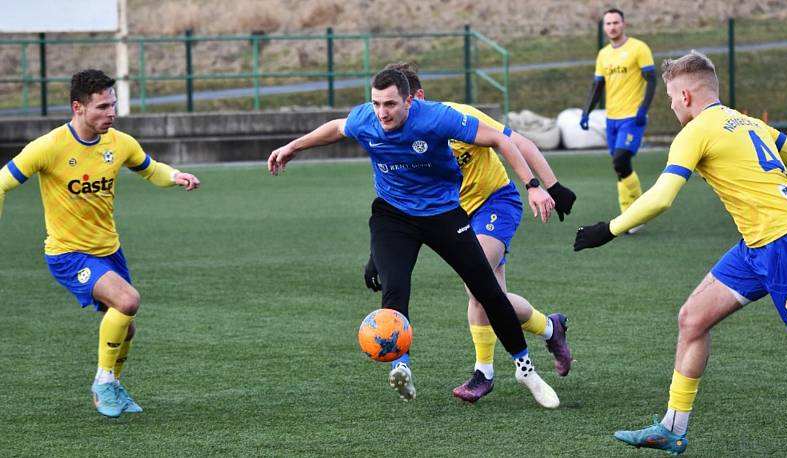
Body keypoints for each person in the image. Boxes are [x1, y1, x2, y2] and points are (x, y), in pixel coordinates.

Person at [269, 68, 560, 407]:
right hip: (393, 216)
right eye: (376, 103)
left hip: (443, 214)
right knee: (395, 288)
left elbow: (500, 139)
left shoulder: (437, 118)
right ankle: (401, 367)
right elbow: (336, 127)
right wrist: (293, 147)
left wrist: (534, 186)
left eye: (390, 104)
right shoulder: (367, 119)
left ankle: (525, 370)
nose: (382, 112)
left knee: (487, 290)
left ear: (410, 100)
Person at [573, 51, 787, 455]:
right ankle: (672, 428)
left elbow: (661, 198)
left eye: (671, 98)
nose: (671, 104)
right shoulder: (750, 123)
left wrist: (608, 229)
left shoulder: (695, 132)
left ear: (686, 95)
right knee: (692, 319)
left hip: (784, 243)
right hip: (755, 246)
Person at [362, 63, 575, 404]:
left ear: (417, 98)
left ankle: (484, 373)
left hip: (494, 203)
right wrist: (378, 253)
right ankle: (550, 328)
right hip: (448, 213)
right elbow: (399, 195)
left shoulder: (455, 117)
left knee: (477, 288)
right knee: (494, 297)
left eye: (405, 101)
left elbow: (516, 142)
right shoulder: (401, 133)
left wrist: (550, 185)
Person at [0, 69, 200, 418]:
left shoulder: (120, 143)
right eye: (103, 107)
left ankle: (113, 386)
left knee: (127, 324)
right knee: (128, 299)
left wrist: (175, 176)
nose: (112, 113)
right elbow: (2, 182)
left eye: (113, 105)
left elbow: (150, 169)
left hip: (109, 250)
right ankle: (103, 383)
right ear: (78, 107)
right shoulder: (49, 147)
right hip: (68, 253)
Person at [580, 8, 656, 234]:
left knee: (621, 161)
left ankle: (636, 212)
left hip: (632, 118)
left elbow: (651, 80)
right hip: (611, 119)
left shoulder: (639, 48)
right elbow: (598, 86)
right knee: (620, 168)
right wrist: (586, 112)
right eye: (608, 23)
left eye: (616, 22)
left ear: (624, 24)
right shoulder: (603, 54)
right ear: (604, 28)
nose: (612, 27)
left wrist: (643, 109)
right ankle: (631, 214)